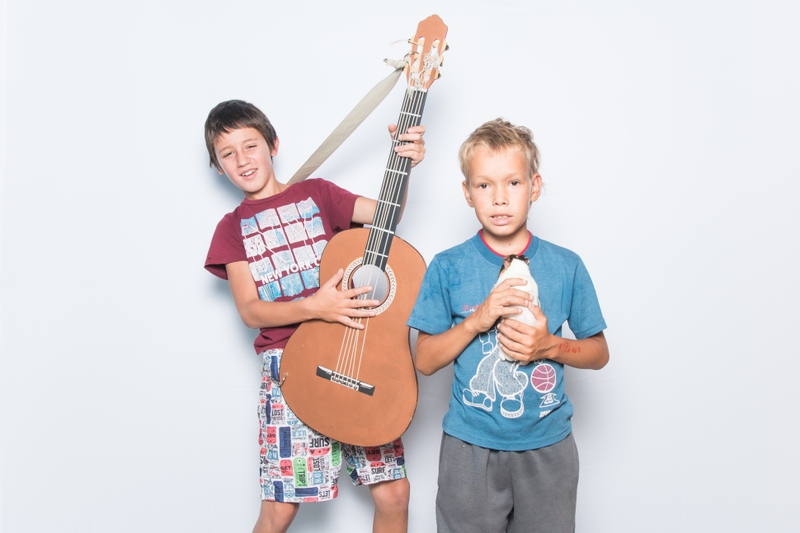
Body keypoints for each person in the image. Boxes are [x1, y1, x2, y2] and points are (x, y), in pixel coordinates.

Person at [204, 99, 426, 533]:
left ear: (273, 144)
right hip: (290, 369)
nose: (242, 160)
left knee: (394, 493)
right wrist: (313, 307)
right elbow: (250, 310)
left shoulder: (317, 194)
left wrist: (404, 161)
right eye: (227, 154)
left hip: (353, 355)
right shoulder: (231, 228)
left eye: (250, 146)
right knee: (281, 508)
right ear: (218, 167)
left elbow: (388, 214)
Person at [407, 118, 609, 533]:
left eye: (513, 183)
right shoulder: (447, 266)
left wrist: (550, 346)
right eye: (484, 185)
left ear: (534, 187)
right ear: (468, 193)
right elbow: (424, 361)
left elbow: (599, 353)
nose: (499, 198)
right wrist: (477, 320)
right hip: (469, 448)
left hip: (548, 447)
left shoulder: (566, 265)